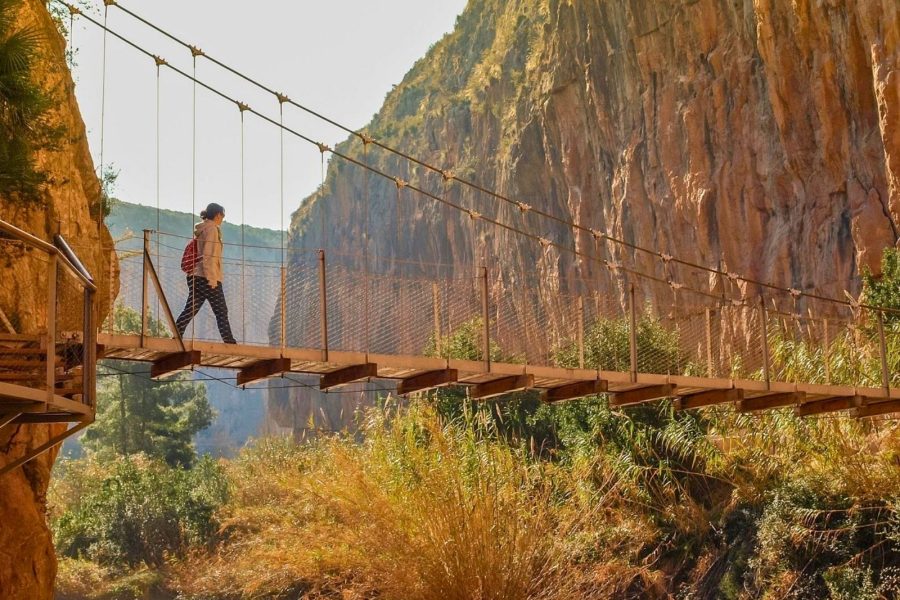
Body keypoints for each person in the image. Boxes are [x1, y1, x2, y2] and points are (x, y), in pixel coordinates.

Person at [175, 202, 237, 344]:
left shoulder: (202, 229)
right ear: (218, 215)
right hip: (206, 277)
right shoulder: (212, 230)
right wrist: (212, 280)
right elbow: (208, 256)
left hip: (194, 275)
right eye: (222, 216)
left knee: (191, 308)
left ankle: (177, 333)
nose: (223, 219)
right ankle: (229, 342)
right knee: (221, 311)